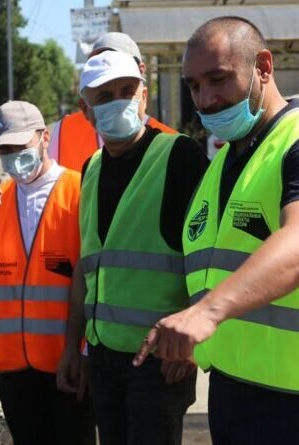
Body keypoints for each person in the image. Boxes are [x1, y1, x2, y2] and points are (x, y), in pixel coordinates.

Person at [134, 16, 299, 445]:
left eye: (218, 79)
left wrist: (205, 313)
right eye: (193, 85)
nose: (205, 99)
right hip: (231, 388)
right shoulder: (224, 166)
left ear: (263, 67)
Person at [57, 50, 209, 445]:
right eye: (104, 97)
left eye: (127, 90)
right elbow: (86, 270)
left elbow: (209, 256)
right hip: (104, 358)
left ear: (145, 94)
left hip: (159, 359)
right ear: (85, 110)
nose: (119, 102)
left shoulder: (179, 156)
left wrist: (191, 338)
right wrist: (75, 348)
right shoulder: (90, 170)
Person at [0, 100, 95, 445]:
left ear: (44, 138)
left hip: (67, 368)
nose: (13, 156)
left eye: (20, 147)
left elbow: (95, 282)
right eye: (5, 149)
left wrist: (83, 356)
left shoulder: (79, 191)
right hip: (15, 372)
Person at [47, 32, 177, 172]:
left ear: (140, 71)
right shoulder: (66, 132)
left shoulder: (173, 147)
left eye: (126, 90)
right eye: (97, 65)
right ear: (84, 108)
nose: (107, 67)